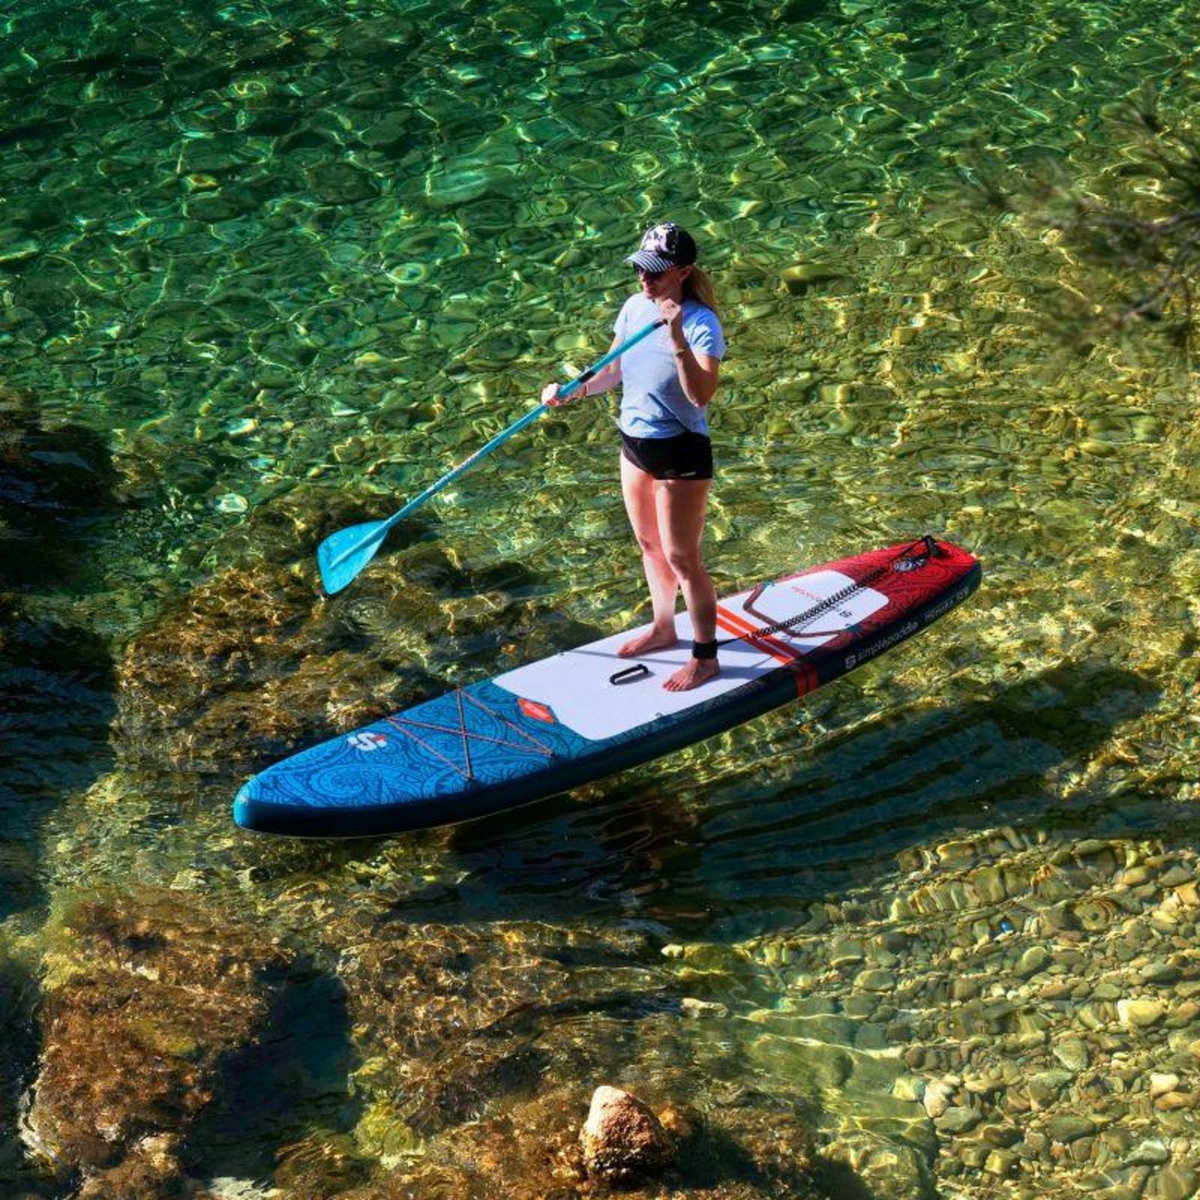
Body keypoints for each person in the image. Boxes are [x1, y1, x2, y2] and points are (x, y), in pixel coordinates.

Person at [541, 222, 726, 691]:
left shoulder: (702, 324)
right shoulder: (633, 307)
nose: (645, 281)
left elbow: (700, 395)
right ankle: (664, 628)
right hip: (634, 443)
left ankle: (705, 657)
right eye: (641, 270)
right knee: (649, 547)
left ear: (683, 272)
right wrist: (573, 392)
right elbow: (613, 370)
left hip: (680, 450)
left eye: (657, 273)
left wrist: (677, 336)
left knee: (683, 558)